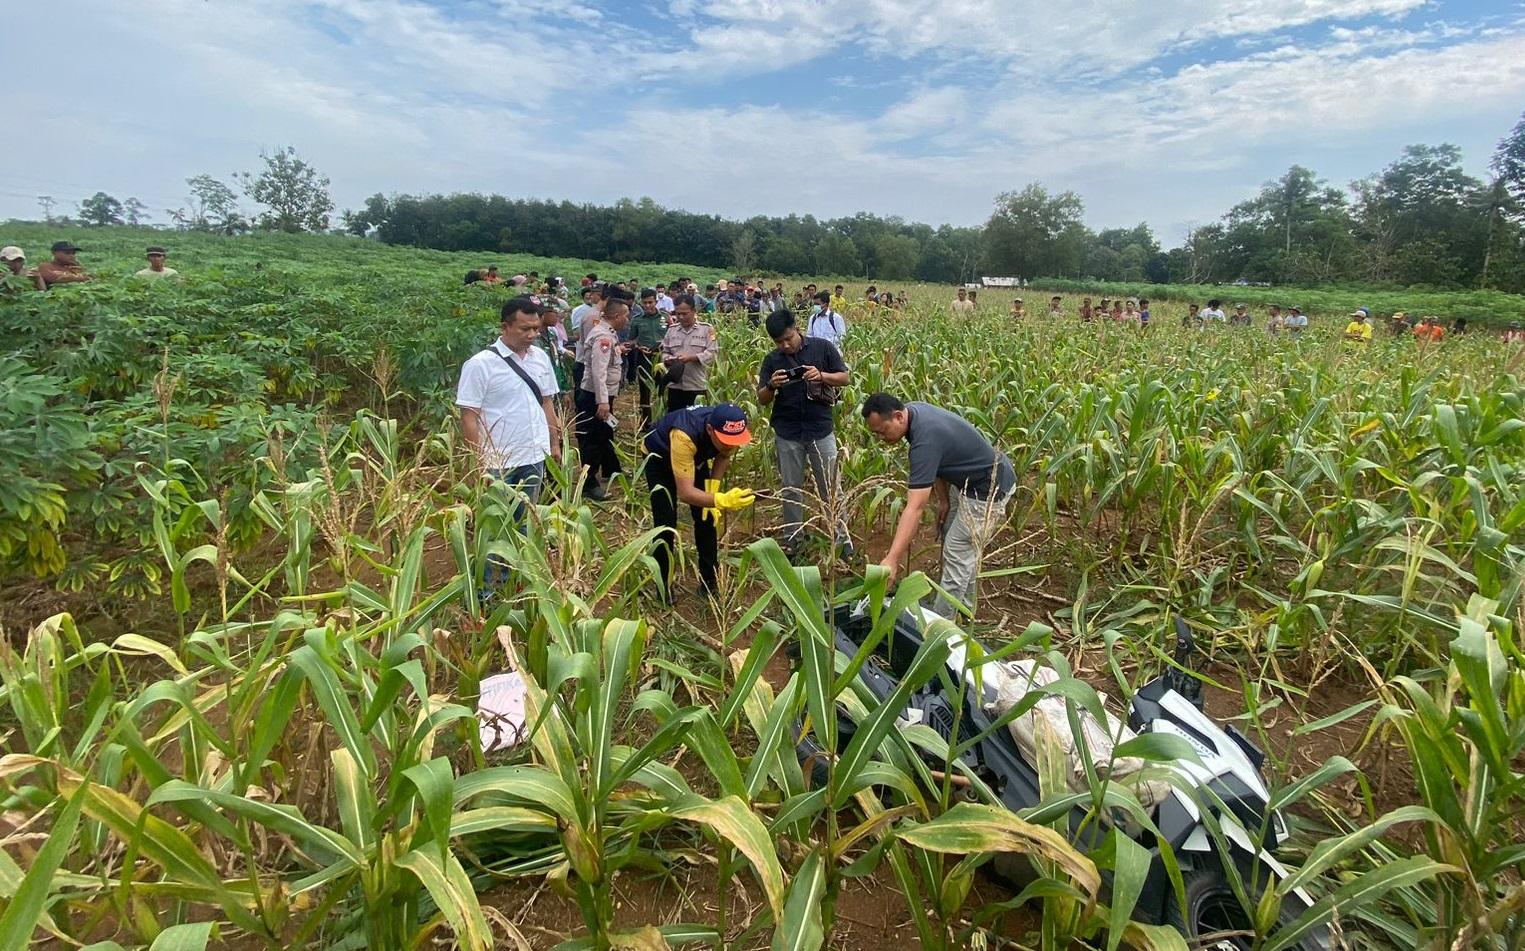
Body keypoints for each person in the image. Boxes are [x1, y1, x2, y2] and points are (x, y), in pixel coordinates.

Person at [862, 394, 1015, 619]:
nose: (880, 438)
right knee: (962, 550)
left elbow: (915, 507)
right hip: (967, 481)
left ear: (898, 416)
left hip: (988, 489)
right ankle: (965, 609)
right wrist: (944, 499)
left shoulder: (925, 440)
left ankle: (940, 628)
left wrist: (892, 559)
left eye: (882, 431)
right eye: (875, 434)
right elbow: (940, 461)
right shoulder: (913, 412)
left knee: (957, 551)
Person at [456, 296, 563, 598]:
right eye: (524, 329)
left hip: (533, 456)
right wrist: (476, 462)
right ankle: (488, 594)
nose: (531, 335)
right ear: (505, 326)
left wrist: (554, 443)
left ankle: (520, 582)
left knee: (524, 523)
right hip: (497, 461)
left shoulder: (540, 358)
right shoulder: (480, 365)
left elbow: (547, 403)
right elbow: (469, 417)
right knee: (493, 527)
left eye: (536, 329)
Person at [758, 309, 853, 557]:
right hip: (787, 431)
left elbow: (845, 378)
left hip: (820, 429)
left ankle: (842, 541)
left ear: (796, 327)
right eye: (779, 342)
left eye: (789, 338)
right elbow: (762, 399)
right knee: (791, 488)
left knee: (831, 487)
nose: (786, 345)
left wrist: (821, 375)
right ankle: (793, 540)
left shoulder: (822, 348)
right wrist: (772, 385)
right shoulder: (772, 360)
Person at [643, 403, 756, 600]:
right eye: (726, 441)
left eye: (735, 441)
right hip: (660, 458)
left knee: (706, 519)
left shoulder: (726, 428)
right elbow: (685, 493)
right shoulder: (684, 436)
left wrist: (713, 489)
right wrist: (721, 500)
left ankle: (710, 581)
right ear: (710, 430)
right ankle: (663, 585)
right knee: (665, 522)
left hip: (694, 458)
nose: (731, 445)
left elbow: (723, 456)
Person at [577, 290, 631, 501]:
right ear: (617, 316)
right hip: (595, 396)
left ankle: (610, 469)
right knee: (592, 440)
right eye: (625, 315)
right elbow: (599, 372)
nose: (627, 319)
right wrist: (603, 402)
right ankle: (589, 484)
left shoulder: (608, 334)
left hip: (602, 395)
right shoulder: (603, 337)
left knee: (604, 435)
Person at [660, 294, 717, 412]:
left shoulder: (707, 329)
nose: (681, 317)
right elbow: (665, 351)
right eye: (678, 313)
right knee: (675, 421)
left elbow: (712, 353)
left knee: (696, 421)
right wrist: (668, 359)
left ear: (694, 311)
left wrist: (692, 358)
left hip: (697, 385)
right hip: (675, 386)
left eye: (684, 314)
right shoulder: (671, 330)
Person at [627, 288, 668, 430]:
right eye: (645, 303)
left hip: (662, 358)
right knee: (645, 391)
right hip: (644, 358)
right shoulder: (637, 319)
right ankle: (646, 423)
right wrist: (637, 346)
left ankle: (662, 420)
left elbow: (672, 335)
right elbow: (631, 340)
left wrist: (665, 344)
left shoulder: (665, 317)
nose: (648, 305)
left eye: (651, 302)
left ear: (656, 301)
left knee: (662, 389)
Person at [570, 283, 605, 391]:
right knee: (583, 391)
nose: (590, 297)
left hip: (590, 359)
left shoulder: (597, 312)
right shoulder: (587, 312)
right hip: (585, 360)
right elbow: (585, 337)